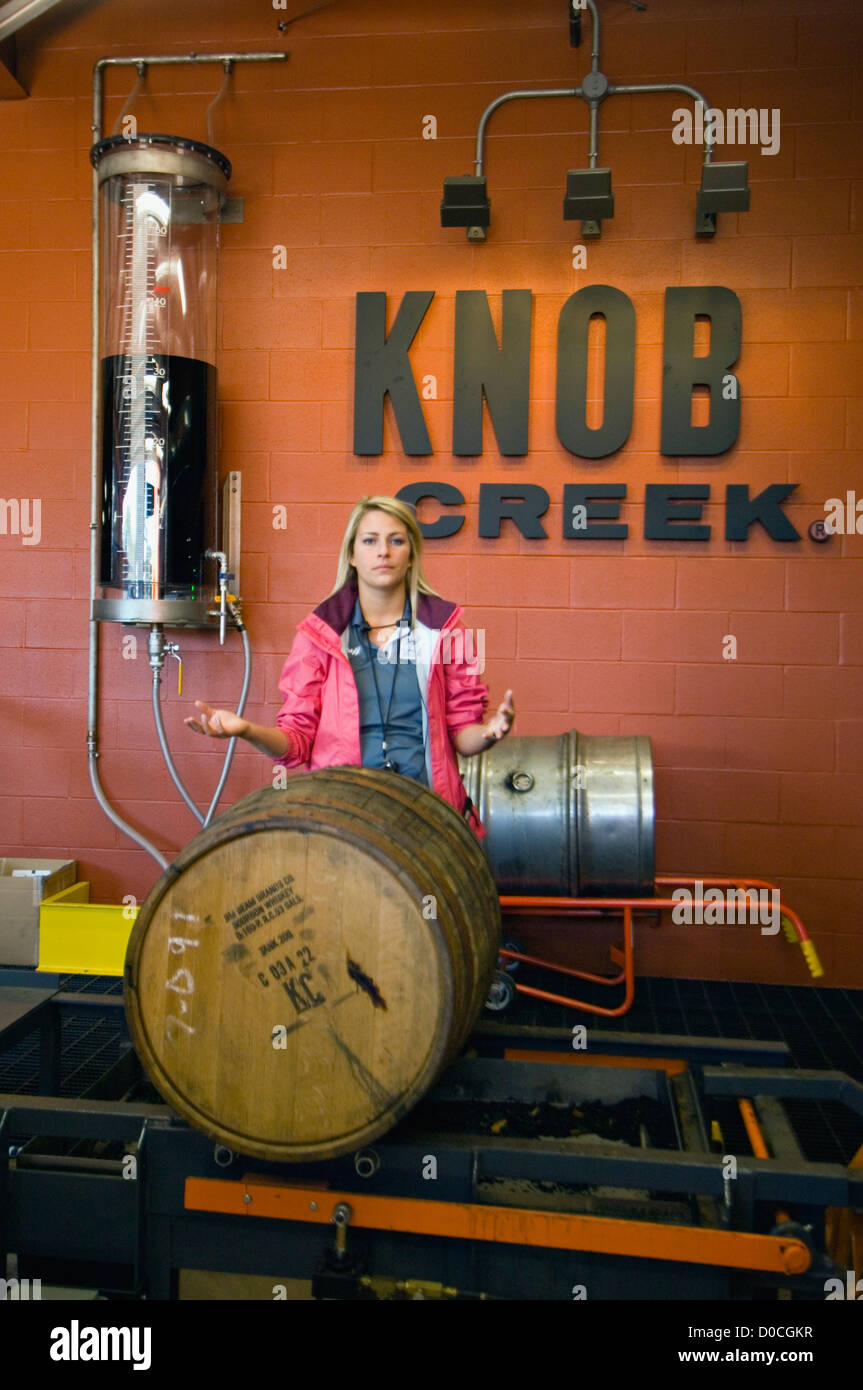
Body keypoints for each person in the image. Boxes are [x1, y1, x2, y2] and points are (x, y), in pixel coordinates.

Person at [185, 495, 515, 838]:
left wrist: (491, 733)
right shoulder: (320, 634)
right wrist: (246, 730)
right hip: (342, 821)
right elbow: (296, 742)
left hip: (427, 818)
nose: (383, 551)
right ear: (352, 555)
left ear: (411, 554)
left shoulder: (446, 630)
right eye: (370, 540)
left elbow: (464, 736)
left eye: (396, 540)